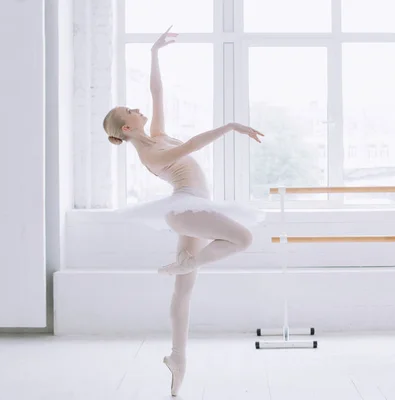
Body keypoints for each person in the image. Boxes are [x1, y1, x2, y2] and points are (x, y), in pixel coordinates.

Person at [102, 26, 265, 397]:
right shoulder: (151, 152)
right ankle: (188, 263)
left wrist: (154, 53)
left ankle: (178, 359)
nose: (139, 108)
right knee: (243, 237)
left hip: (191, 209)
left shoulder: (155, 135)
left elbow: (156, 92)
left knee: (183, 290)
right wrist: (231, 126)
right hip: (185, 208)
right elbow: (192, 144)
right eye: (131, 110)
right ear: (127, 127)